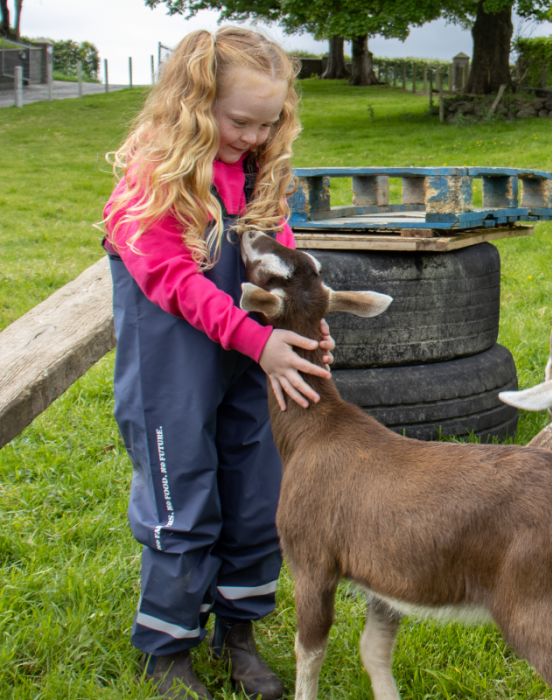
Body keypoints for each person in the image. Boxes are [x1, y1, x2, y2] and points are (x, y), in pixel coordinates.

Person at [102, 26, 333, 700]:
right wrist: (257, 341)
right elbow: (174, 278)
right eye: (240, 122)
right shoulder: (155, 177)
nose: (254, 137)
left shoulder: (261, 170)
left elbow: (284, 261)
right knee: (184, 500)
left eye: (268, 124)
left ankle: (239, 631)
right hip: (174, 372)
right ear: (197, 105)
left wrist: (304, 328)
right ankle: (168, 648)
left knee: (259, 496)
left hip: (246, 363)